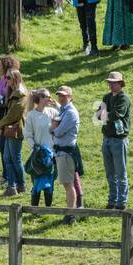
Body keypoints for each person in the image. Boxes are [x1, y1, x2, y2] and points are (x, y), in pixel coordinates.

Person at [98, 71, 132, 210]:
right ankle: (112, 200)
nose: (111, 84)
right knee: (110, 172)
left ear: (120, 83)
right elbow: (98, 115)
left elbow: (117, 114)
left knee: (120, 172)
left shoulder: (124, 98)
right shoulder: (106, 97)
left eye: (113, 82)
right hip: (107, 138)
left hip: (119, 139)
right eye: (109, 82)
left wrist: (104, 114)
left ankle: (121, 202)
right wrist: (105, 114)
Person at [50, 85, 83, 223]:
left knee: (68, 185)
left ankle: (71, 214)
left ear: (70, 97)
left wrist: (53, 128)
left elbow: (59, 131)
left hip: (66, 153)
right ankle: (72, 212)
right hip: (62, 152)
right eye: (60, 95)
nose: (61, 98)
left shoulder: (70, 113)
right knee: (67, 184)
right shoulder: (64, 110)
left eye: (64, 95)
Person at [23, 89, 58, 206]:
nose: (50, 98)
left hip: (51, 154)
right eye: (47, 97)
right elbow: (28, 134)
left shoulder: (52, 112)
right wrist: (35, 148)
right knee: (37, 182)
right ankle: (34, 209)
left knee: (49, 184)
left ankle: (49, 209)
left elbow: (63, 116)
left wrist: (57, 105)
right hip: (38, 156)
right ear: (40, 99)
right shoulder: (31, 115)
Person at [0, 68, 28, 196]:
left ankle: (19, 185)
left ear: (16, 78)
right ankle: (13, 186)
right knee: (8, 158)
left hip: (16, 129)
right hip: (11, 129)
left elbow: (14, 114)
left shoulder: (21, 93)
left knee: (15, 158)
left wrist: (0, 124)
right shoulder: (15, 92)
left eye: (8, 78)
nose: (6, 80)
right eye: (6, 77)